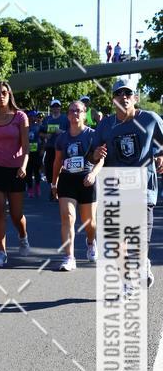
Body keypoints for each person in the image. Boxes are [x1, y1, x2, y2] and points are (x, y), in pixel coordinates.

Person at [89, 79, 163, 288]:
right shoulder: (105, 125)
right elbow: (93, 156)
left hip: (143, 188)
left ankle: (141, 263)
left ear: (135, 97)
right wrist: (95, 155)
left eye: (128, 93)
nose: (124, 97)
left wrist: (162, 156)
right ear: (113, 99)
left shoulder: (150, 120)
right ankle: (127, 282)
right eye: (119, 93)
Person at [51, 100, 104, 270]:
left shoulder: (92, 135)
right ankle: (69, 257)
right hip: (67, 180)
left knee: (89, 221)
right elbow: (57, 161)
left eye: (79, 111)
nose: (75, 113)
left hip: (86, 179)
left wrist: (93, 174)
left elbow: (101, 159)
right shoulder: (62, 138)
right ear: (68, 115)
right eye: (72, 111)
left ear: (84, 114)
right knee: (67, 217)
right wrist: (53, 183)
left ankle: (90, 242)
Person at [0, 81, 30, 266]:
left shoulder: (20, 117)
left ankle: (23, 235)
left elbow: (26, 146)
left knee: (16, 215)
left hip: (16, 169)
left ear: (9, 94)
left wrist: (24, 166)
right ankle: (1, 253)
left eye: (4, 92)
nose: (0, 96)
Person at [39, 99, 68, 200]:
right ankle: (53, 189)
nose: (56, 108)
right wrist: (46, 135)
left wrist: (61, 131)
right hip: (50, 148)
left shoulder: (65, 119)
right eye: (54, 107)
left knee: (60, 169)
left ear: (60, 107)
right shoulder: (47, 119)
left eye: (57, 106)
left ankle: (59, 191)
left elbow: (71, 132)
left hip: (62, 148)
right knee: (49, 170)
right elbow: (40, 133)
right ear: (51, 108)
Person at [26, 111, 43, 198]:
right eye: (30, 116)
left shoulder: (39, 126)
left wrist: (42, 149)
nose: (32, 118)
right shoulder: (24, 127)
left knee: (37, 171)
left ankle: (37, 185)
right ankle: (30, 188)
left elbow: (44, 137)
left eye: (34, 116)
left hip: (37, 152)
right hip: (27, 153)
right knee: (28, 171)